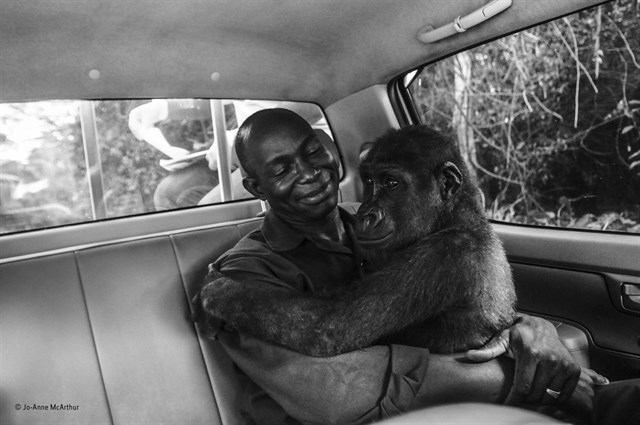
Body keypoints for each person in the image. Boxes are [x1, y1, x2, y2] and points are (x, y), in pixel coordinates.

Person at [192, 109, 620, 425]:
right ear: (255, 187)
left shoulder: (385, 221)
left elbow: (457, 305)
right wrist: (220, 293)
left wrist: (528, 328)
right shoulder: (242, 274)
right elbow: (334, 390)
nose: (311, 174)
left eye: (312, 153)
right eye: (282, 169)